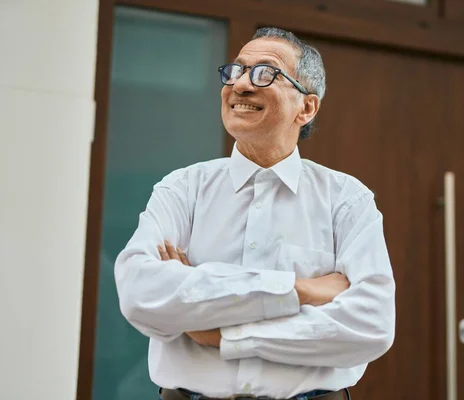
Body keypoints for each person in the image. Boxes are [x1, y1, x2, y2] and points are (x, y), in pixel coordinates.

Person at [115, 27, 396, 400]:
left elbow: (371, 324)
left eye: (266, 73)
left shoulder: (346, 199)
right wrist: (300, 290)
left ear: (306, 107)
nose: (241, 85)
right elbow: (141, 293)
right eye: (235, 71)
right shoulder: (183, 189)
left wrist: (220, 332)